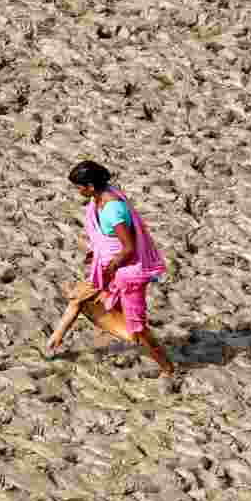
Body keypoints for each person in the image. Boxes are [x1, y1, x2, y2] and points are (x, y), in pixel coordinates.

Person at [46, 161, 175, 377]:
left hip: (126, 272)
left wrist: (110, 266)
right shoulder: (100, 198)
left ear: (90, 187)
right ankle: (55, 339)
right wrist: (98, 251)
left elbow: (128, 247)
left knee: (139, 329)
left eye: (79, 187)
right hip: (106, 265)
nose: (77, 191)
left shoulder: (112, 209)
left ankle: (167, 367)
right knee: (79, 298)